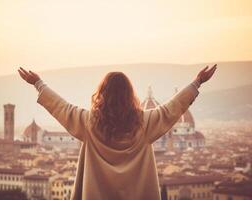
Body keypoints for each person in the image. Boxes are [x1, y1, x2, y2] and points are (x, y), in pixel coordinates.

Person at [18, 65, 217, 200]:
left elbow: (62, 107)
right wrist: (197, 82)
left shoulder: (88, 123)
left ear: (102, 94)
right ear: (130, 95)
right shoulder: (145, 124)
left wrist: (38, 83)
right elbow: (171, 109)